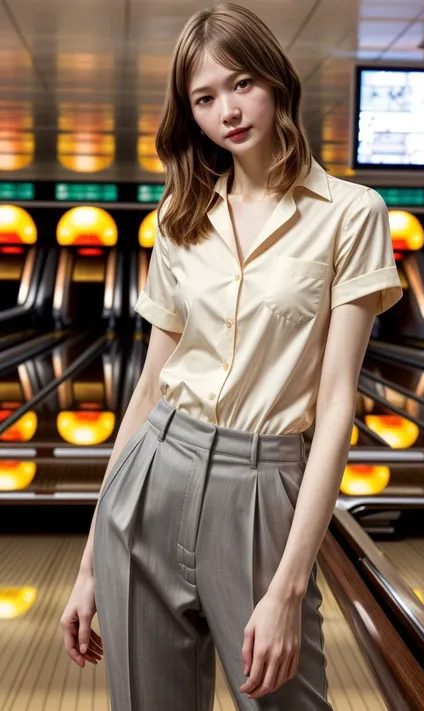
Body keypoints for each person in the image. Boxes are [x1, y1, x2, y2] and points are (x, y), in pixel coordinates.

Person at [60, 3, 403, 709]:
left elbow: (337, 403)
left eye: (241, 83)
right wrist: (89, 562)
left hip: (261, 488)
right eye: (205, 98)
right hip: (151, 478)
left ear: (276, 81)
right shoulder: (179, 215)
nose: (228, 110)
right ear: (190, 113)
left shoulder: (352, 213)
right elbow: (150, 389)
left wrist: (289, 585)